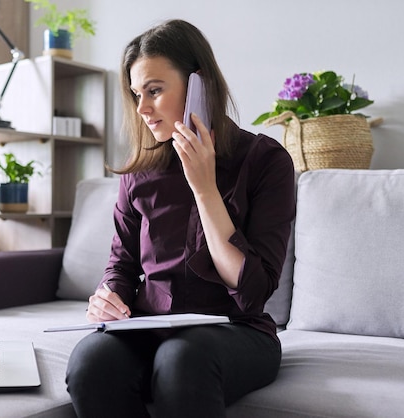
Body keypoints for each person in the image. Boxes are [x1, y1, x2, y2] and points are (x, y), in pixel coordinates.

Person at [65, 19, 295, 418]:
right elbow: (121, 264)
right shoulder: (140, 173)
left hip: (236, 331)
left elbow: (252, 292)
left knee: (181, 360)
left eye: (154, 91)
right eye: (137, 94)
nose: (142, 109)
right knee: (90, 364)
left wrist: (204, 188)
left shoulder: (266, 161)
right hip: (150, 325)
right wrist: (109, 297)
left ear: (198, 85)